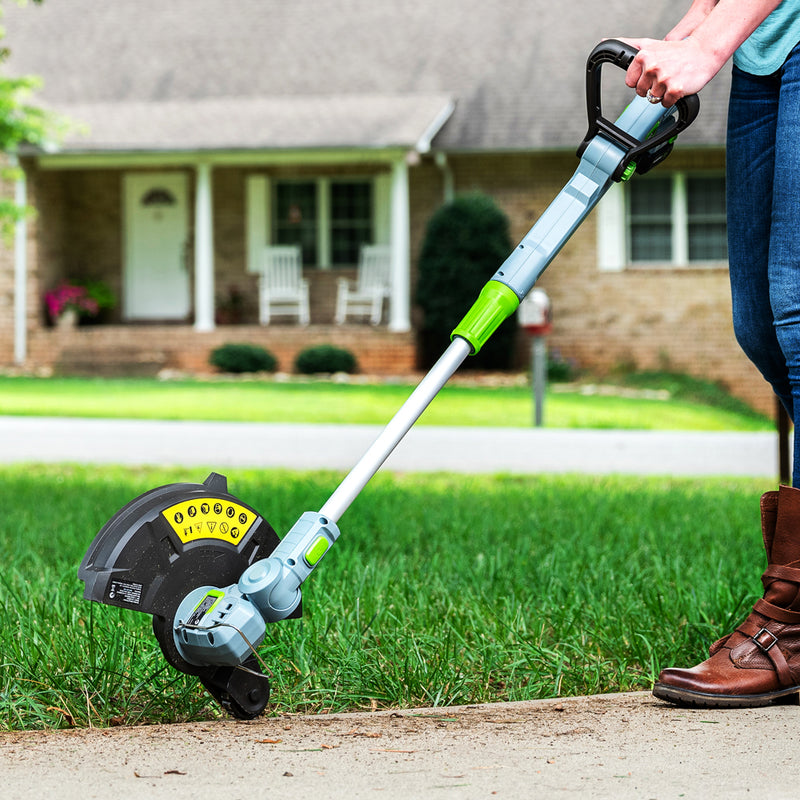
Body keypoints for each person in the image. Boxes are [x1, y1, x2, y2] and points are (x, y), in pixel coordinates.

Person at [618, 0, 800, 708]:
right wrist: (692, 30)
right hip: (769, 48)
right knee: (761, 325)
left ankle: (789, 624)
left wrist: (711, 47)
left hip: (754, 40)